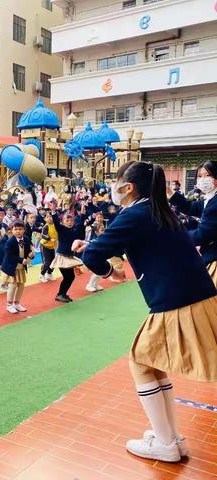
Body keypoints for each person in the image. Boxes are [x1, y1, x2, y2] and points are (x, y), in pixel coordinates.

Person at [74, 161, 217, 463]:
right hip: (193, 294)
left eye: (117, 180)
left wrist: (108, 270)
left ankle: (166, 442)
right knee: (152, 362)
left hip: (175, 299)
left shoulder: (135, 214)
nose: (113, 186)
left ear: (129, 187)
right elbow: (115, 245)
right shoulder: (157, 210)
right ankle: (170, 437)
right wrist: (96, 247)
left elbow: (93, 255)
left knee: (141, 362)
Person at [170, 160, 217, 286]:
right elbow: (190, 207)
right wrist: (169, 193)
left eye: (207, 175)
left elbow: (202, 235)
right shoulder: (209, 198)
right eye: (200, 176)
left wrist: (177, 235)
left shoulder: (215, 202)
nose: (203, 179)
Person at [0, 220, 33, 314]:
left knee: (21, 285)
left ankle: (17, 303)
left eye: (20, 229)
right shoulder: (10, 242)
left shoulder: (26, 239)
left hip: (20, 267)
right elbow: (9, 256)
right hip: (11, 267)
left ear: (24, 230)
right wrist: (21, 260)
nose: (18, 231)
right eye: (16, 229)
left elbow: (27, 251)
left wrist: (31, 255)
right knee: (13, 285)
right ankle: (9, 305)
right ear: (12, 230)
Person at [51, 213, 85, 303]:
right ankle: (60, 294)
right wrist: (54, 213)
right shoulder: (61, 229)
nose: (70, 222)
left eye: (71, 220)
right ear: (63, 222)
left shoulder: (74, 231)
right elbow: (56, 224)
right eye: (67, 220)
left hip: (69, 257)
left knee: (70, 277)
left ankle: (62, 293)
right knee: (68, 277)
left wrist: (82, 215)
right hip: (62, 257)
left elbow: (81, 229)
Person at [39, 212, 57, 283]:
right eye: (48, 217)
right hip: (45, 246)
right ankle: (41, 275)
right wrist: (49, 239)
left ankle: (49, 273)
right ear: (45, 219)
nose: (50, 218)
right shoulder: (46, 226)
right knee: (47, 262)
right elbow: (43, 235)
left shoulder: (55, 225)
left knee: (53, 262)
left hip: (52, 246)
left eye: (51, 216)